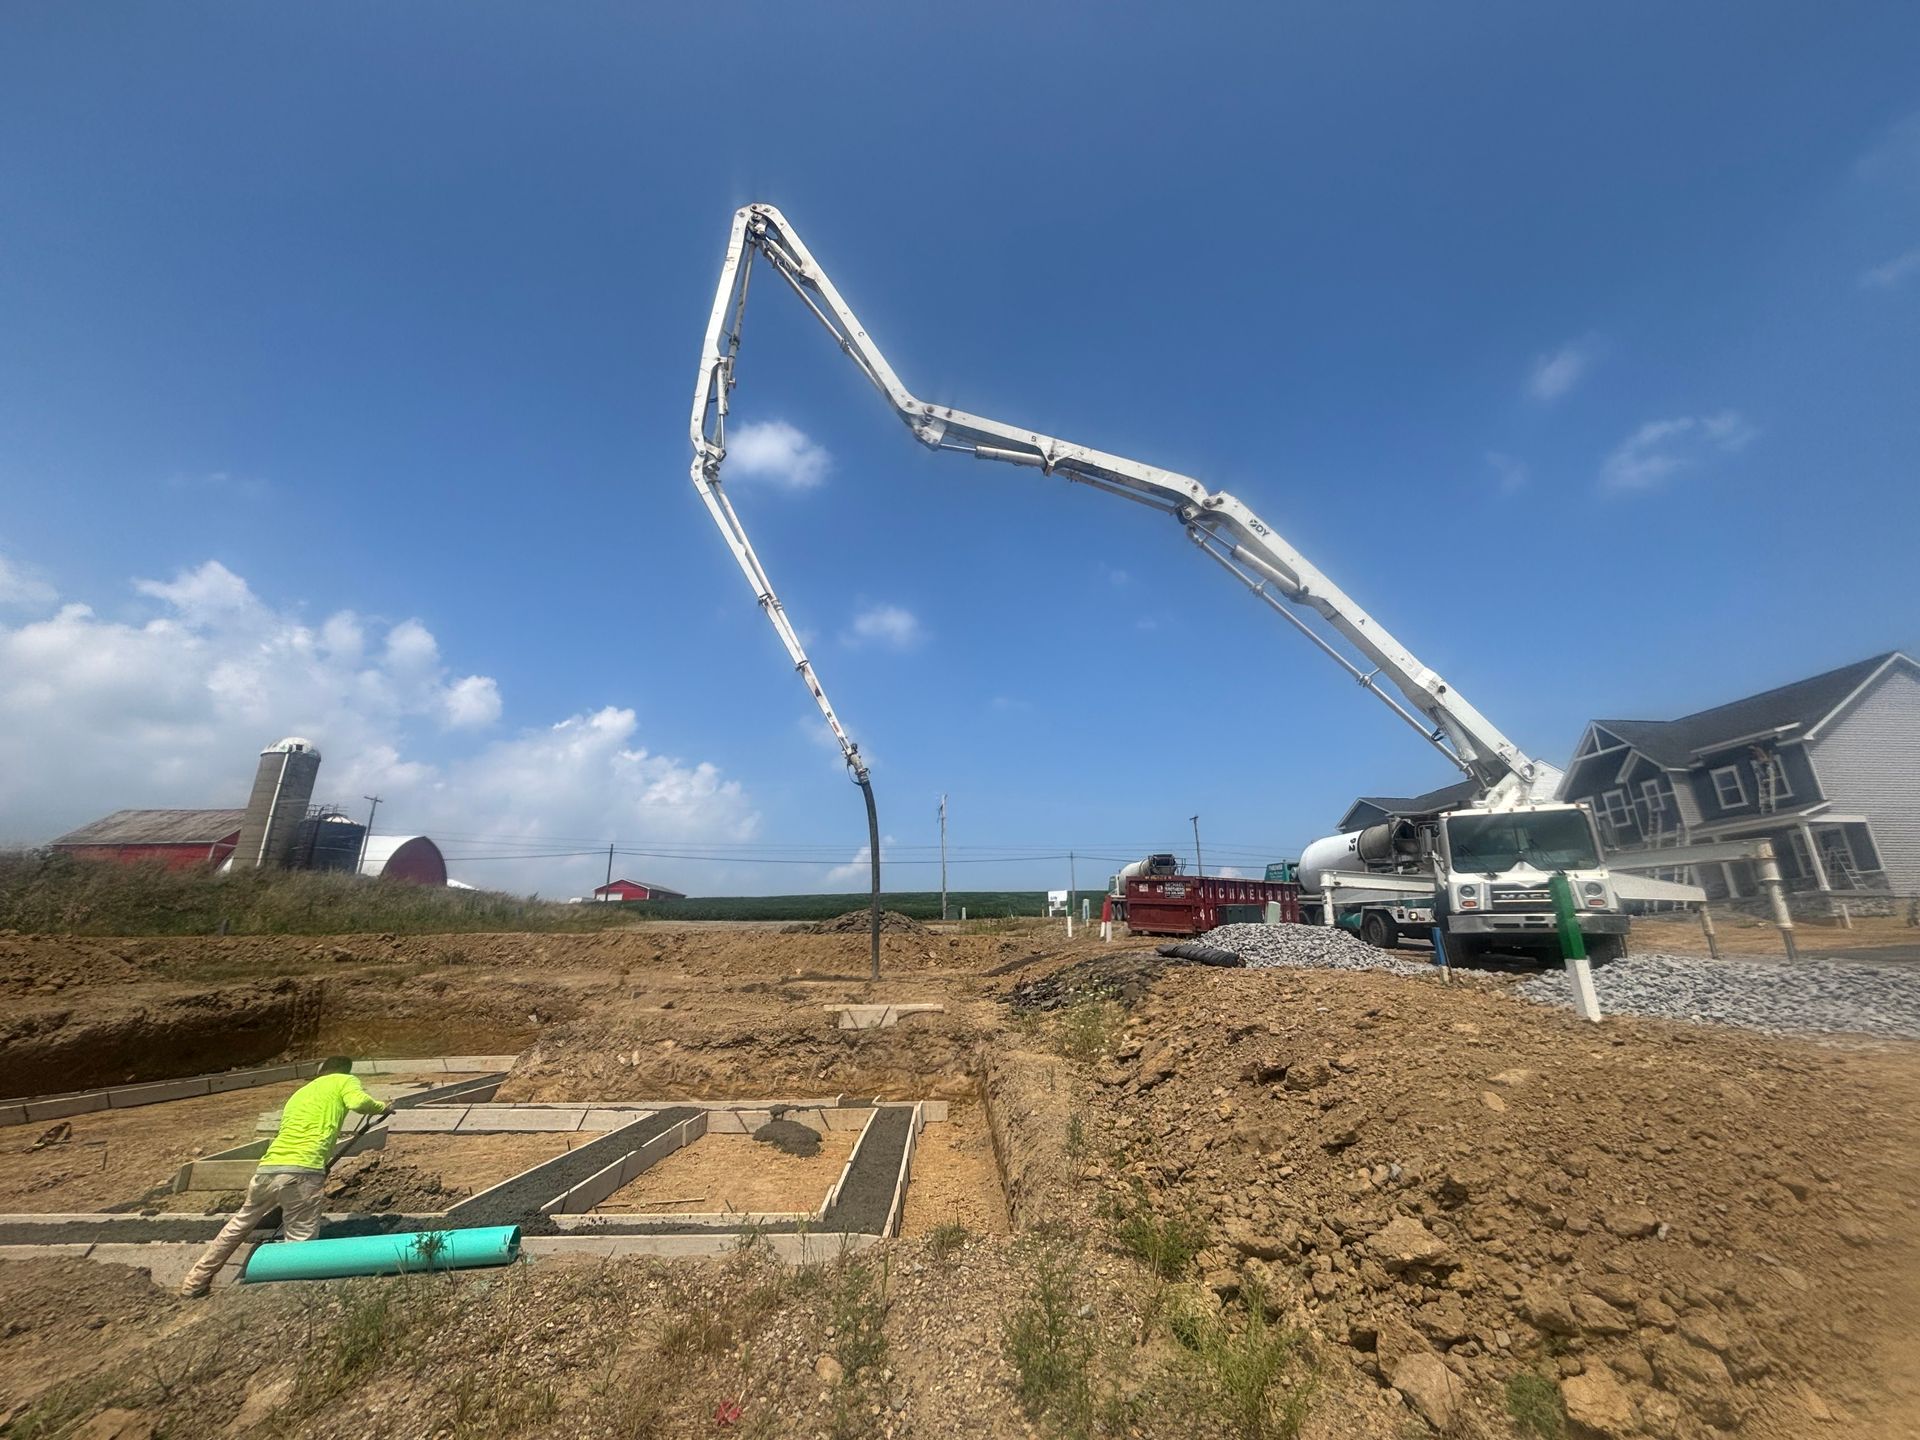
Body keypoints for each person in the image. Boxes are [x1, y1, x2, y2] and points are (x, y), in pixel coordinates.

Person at [179, 1056, 390, 1297]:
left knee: (238, 1225)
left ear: (321, 1071)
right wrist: (382, 1107)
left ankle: (194, 1282)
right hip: (302, 1171)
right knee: (300, 1242)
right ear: (344, 1071)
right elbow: (359, 1102)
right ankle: (287, 1297)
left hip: (268, 1169)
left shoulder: (300, 1093)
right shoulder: (344, 1080)